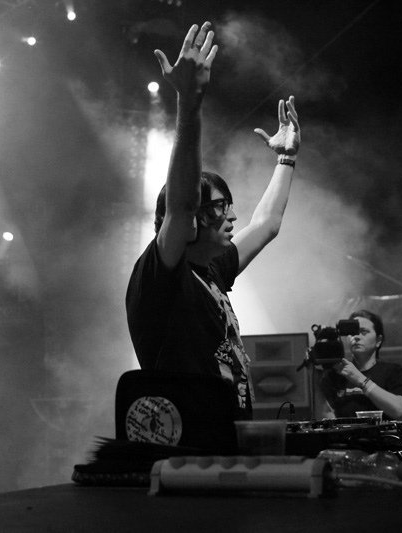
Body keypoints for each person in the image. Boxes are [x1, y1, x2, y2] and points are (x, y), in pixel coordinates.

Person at [125, 21, 301, 419]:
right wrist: (189, 101)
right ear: (191, 218)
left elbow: (267, 224)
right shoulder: (163, 274)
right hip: (189, 444)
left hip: (225, 439)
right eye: (220, 207)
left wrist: (286, 159)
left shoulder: (212, 271)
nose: (232, 215)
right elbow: (182, 204)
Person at [319, 310, 402, 420]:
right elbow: (325, 415)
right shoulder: (335, 375)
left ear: (378, 340)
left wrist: (360, 378)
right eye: (352, 332)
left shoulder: (392, 371)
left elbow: (398, 409)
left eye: (363, 332)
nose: (356, 336)